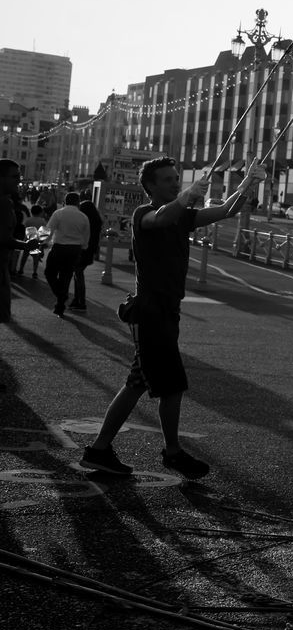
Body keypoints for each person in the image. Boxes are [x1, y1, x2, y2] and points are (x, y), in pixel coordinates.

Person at [80, 157, 265, 478]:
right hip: (151, 312)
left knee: (138, 383)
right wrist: (185, 197)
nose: (174, 183)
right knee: (171, 385)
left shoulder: (185, 216)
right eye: (166, 180)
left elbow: (226, 211)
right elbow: (160, 218)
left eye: (176, 179)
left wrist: (249, 182)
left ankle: (100, 450)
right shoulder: (144, 214)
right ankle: (171, 452)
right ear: (150, 186)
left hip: (166, 311)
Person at [0, 159, 37, 323]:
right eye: (15, 177)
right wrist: (26, 245)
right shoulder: (4, 203)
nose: (19, 181)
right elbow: (3, 239)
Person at [43, 191, 90, 316]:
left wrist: (44, 243)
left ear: (65, 201)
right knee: (66, 276)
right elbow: (86, 236)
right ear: (78, 202)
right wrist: (83, 247)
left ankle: (61, 295)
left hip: (59, 247)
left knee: (50, 272)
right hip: (75, 250)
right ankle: (60, 304)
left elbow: (49, 230)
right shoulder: (83, 217)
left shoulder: (58, 213)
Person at [69, 196, 103, 311]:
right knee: (78, 274)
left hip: (82, 249)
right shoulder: (96, 222)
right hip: (90, 251)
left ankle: (81, 302)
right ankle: (77, 299)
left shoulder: (85, 221)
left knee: (78, 274)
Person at [17, 203, 46, 279]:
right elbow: (44, 233)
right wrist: (42, 244)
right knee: (35, 257)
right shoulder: (42, 221)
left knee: (24, 256)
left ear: (32, 212)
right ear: (40, 212)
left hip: (28, 240)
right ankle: (35, 272)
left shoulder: (28, 220)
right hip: (36, 241)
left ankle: (21, 269)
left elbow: (25, 229)